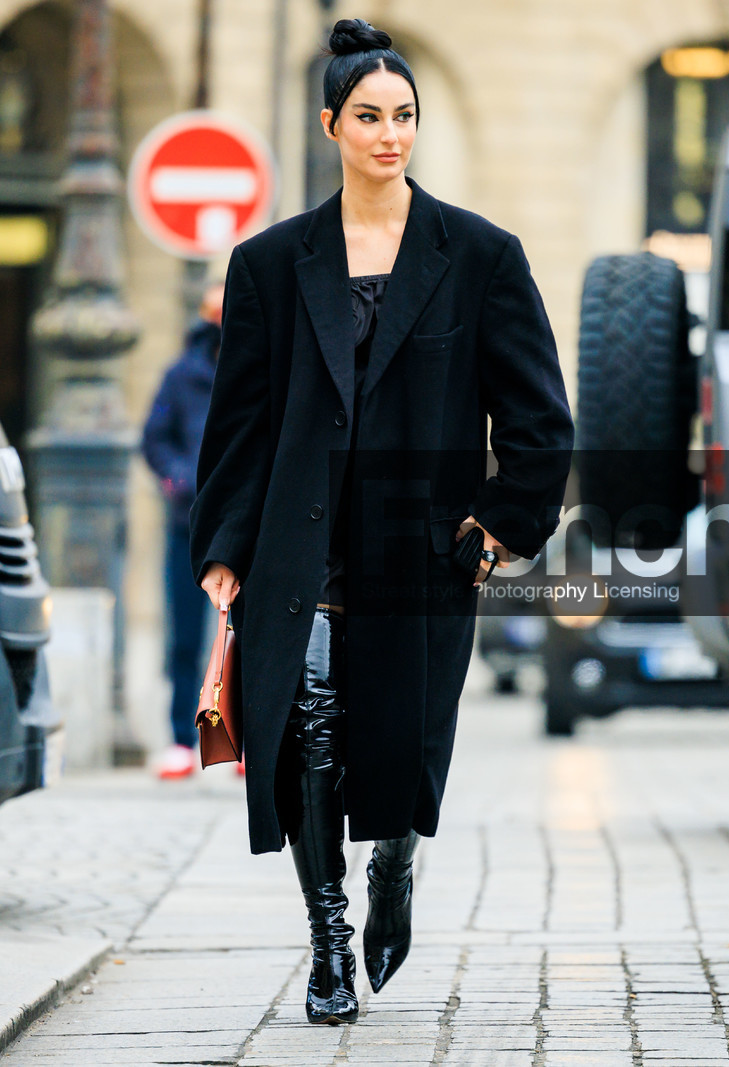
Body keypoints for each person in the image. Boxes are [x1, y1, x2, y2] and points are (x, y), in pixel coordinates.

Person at [189, 19, 573, 1025]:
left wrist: (500, 524)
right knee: (306, 733)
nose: (390, 134)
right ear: (331, 125)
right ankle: (328, 941)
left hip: (420, 544)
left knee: (399, 741)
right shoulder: (271, 263)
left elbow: (538, 416)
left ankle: (394, 863)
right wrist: (224, 545)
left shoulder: (479, 254)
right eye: (369, 117)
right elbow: (238, 422)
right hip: (299, 540)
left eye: (404, 116)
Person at [142, 283, 224, 780]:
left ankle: (242, 738)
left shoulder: (264, 369)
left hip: (243, 523)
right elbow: (154, 438)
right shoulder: (181, 375)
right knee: (185, 636)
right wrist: (179, 481)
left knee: (245, 636)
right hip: (187, 522)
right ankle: (180, 738)